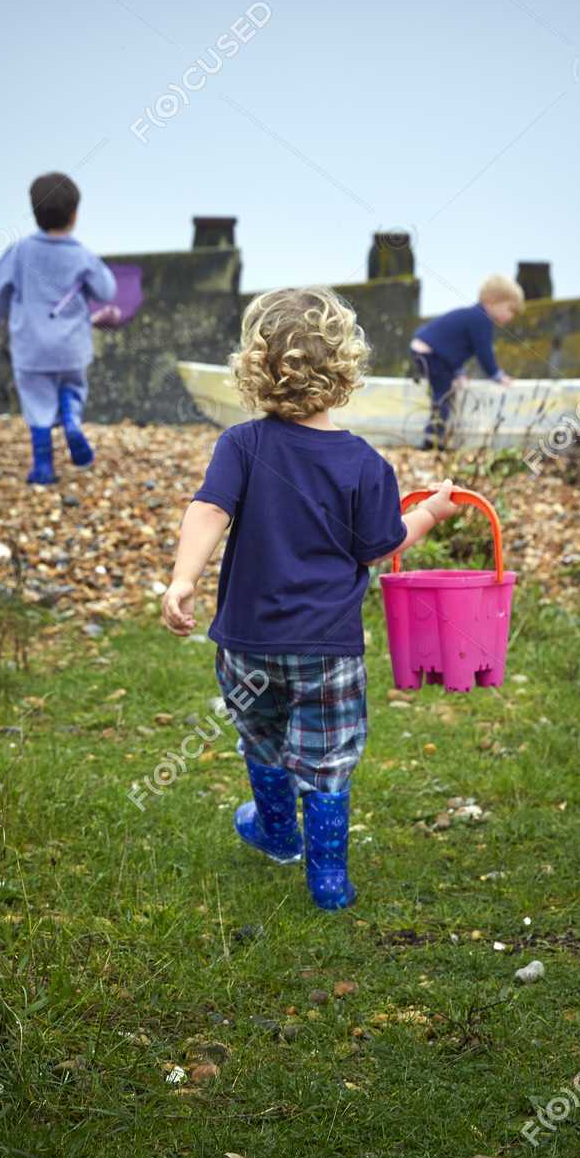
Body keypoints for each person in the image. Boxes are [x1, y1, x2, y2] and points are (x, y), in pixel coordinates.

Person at [160, 287, 463, 910]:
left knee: (263, 738)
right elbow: (380, 545)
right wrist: (430, 512)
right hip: (327, 649)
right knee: (327, 760)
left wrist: (183, 578)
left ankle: (275, 833)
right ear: (346, 368)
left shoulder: (241, 445)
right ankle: (327, 881)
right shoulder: (365, 464)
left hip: (248, 642)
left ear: (256, 367)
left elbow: (209, 509)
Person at [0, 172, 116, 484]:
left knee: (37, 401)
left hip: (31, 348)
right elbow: (106, 290)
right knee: (73, 387)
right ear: (75, 214)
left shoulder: (20, 252)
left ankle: (43, 467)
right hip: (71, 348)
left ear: (34, 212)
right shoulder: (82, 255)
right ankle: (72, 420)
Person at [409, 274, 525, 449]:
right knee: (443, 394)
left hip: (427, 349)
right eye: (510, 309)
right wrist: (496, 375)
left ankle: (435, 437)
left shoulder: (473, 316)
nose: (511, 317)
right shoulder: (481, 319)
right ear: (493, 301)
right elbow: (484, 352)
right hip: (431, 353)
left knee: (444, 389)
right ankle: (432, 440)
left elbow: (454, 348)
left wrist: (458, 372)